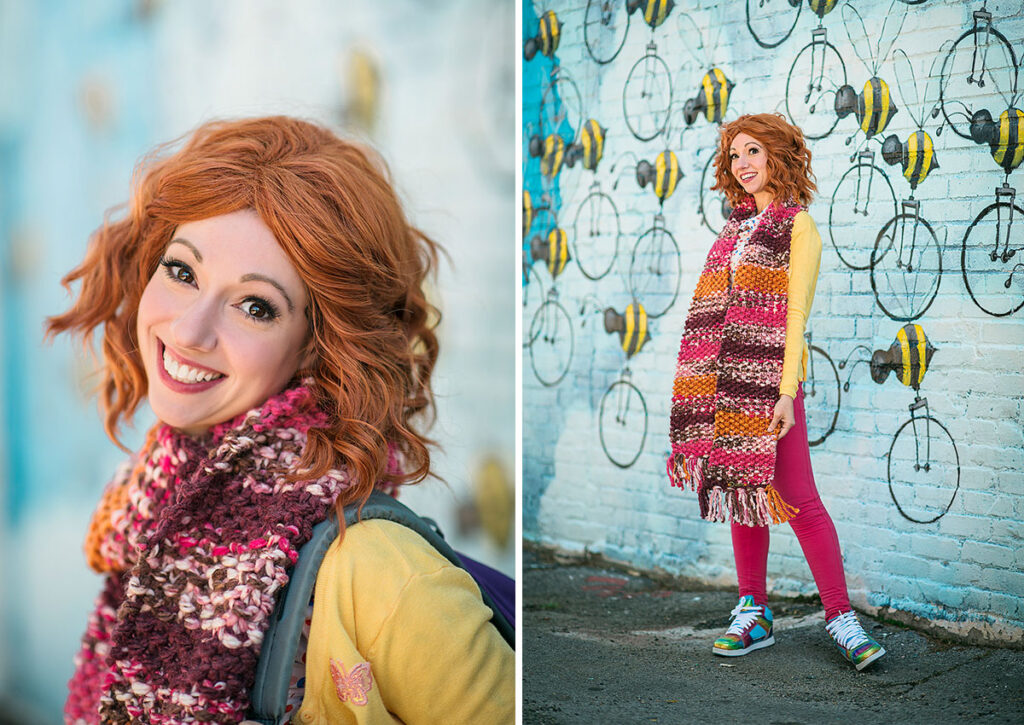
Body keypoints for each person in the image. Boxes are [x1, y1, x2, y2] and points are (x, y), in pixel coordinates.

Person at [51, 116, 514, 724]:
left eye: (255, 306)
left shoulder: (383, 576)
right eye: (183, 271)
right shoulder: (151, 510)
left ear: (319, 347)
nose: (189, 332)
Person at [667, 113, 885, 671]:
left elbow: (795, 318)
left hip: (772, 389)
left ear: (778, 157)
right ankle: (753, 612)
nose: (742, 164)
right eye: (735, 154)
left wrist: (786, 393)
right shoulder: (731, 231)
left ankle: (840, 617)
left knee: (800, 499)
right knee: (743, 491)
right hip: (725, 388)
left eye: (754, 152)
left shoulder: (798, 227)